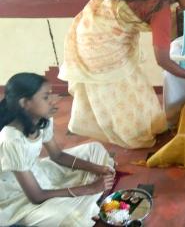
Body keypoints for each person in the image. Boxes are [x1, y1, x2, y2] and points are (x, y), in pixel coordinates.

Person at [59, 0, 185, 149]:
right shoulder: (161, 7)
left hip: (103, 29)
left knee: (136, 86)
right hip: (99, 41)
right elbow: (163, 60)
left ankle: (146, 129)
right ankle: (133, 138)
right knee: (122, 90)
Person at [0, 73, 115, 227]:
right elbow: (36, 196)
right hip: (18, 195)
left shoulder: (42, 119)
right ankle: (89, 200)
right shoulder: (11, 140)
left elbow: (57, 155)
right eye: (45, 97)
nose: (53, 100)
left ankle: (88, 200)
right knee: (72, 217)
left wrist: (98, 168)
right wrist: (89, 188)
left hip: (37, 172)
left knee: (95, 149)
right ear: (25, 103)